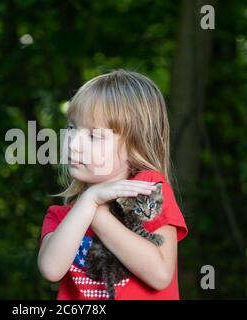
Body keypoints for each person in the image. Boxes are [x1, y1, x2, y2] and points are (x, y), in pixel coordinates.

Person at [37, 69, 188, 300]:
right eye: (71, 128)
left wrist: (96, 211)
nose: (73, 143)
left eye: (94, 136)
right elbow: (51, 269)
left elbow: (159, 274)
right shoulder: (61, 216)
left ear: (134, 146)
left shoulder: (148, 190)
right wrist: (88, 200)